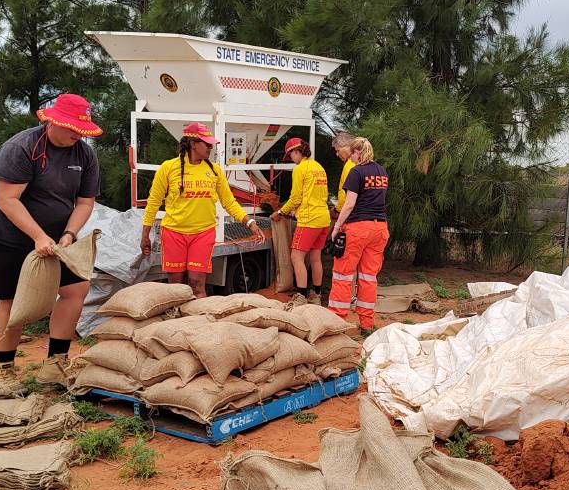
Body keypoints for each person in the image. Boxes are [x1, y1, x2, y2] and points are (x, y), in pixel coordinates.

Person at [0, 93, 101, 386]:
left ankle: (55, 363)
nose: (77, 134)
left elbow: (85, 202)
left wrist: (69, 234)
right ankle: (5, 369)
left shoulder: (84, 155)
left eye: (82, 129)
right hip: (9, 234)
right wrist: (37, 236)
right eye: (72, 127)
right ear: (52, 121)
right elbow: (7, 200)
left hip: (58, 237)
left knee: (77, 288)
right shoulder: (21, 147)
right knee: (10, 302)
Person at [140, 122, 265, 297]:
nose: (210, 147)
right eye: (206, 143)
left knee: (197, 284)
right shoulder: (168, 168)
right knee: (176, 286)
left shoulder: (214, 171)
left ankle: (199, 322)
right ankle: (177, 321)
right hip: (174, 233)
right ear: (193, 144)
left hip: (203, 234)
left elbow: (230, 203)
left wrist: (250, 222)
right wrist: (145, 235)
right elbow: (153, 203)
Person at [328, 137, 389, 333]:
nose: (350, 158)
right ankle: (366, 324)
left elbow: (349, 204)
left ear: (357, 152)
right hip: (380, 229)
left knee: (343, 275)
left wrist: (337, 227)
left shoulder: (356, 172)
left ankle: (336, 322)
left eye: (352, 154)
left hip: (358, 228)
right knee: (368, 277)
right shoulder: (382, 172)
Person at [270, 137, 330, 305]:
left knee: (296, 256)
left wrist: (280, 212)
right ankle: (316, 295)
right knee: (315, 258)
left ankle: (301, 295)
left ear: (296, 152)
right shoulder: (318, 167)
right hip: (323, 218)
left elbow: (295, 198)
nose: (291, 160)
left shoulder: (300, 169)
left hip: (309, 220)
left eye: (290, 156)